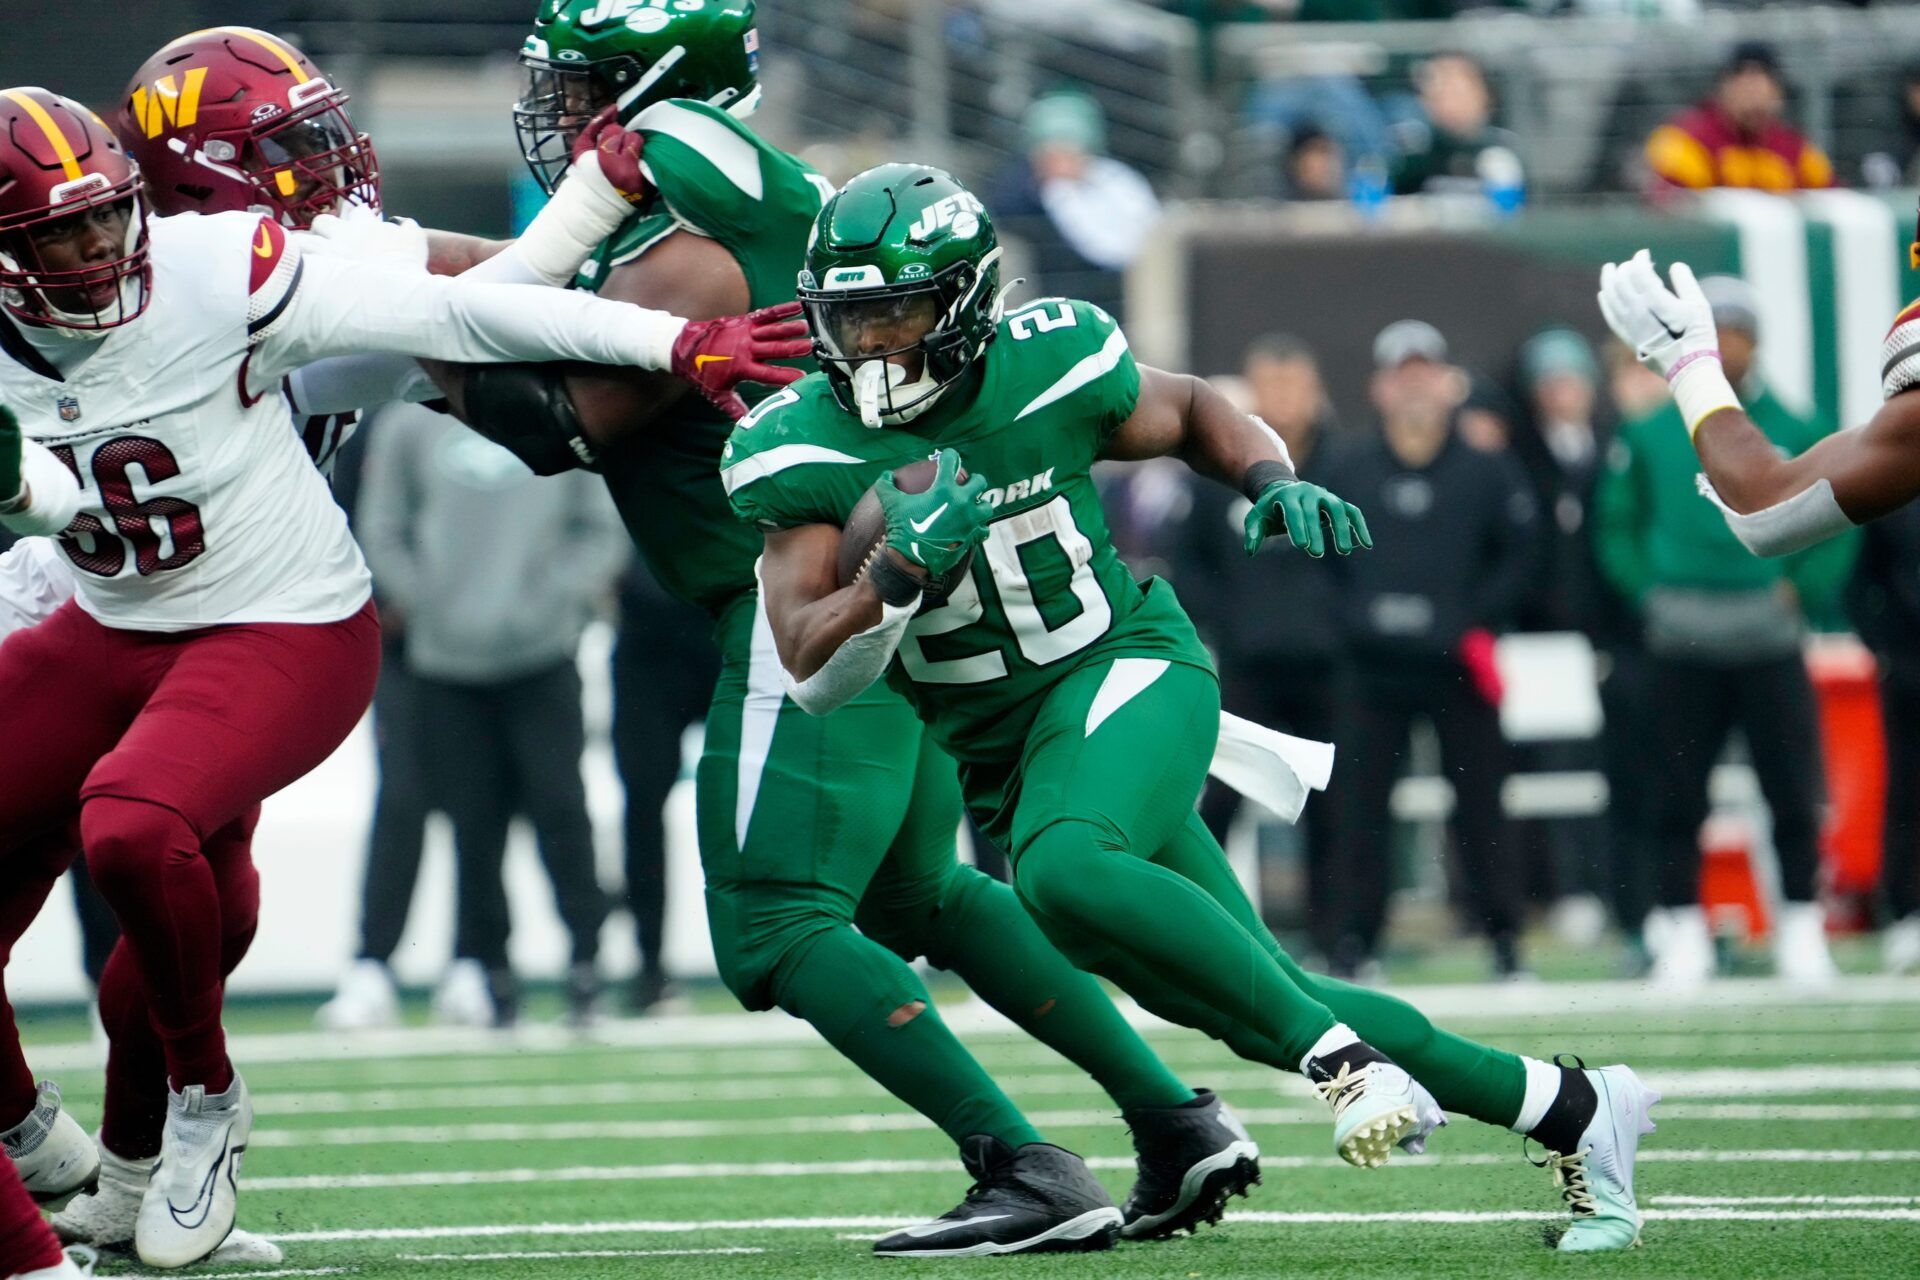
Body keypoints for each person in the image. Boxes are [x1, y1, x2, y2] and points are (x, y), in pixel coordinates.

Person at [429, 1, 1262, 1257]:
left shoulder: (694, 258)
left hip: (811, 609)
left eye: (585, 87)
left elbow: (554, 419)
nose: (561, 116)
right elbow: (524, 282)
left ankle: (1023, 1162)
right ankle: (1174, 1117)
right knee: (922, 891)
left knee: (773, 921)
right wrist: (374, 259)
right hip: (901, 606)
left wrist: (394, 331)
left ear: (658, 95)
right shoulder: (714, 231)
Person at [732, 163, 1658, 1256]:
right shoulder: (797, 442)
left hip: (1127, 667)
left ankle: (1344, 1064)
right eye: (852, 317)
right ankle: (1575, 1106)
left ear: (970, 301)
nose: (876, 343)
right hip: (1007, 745)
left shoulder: (1051, 360)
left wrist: (1268, 474)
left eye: (899, 311)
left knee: (1062, 869)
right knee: (1255, 989)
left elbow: (1189, 409)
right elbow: (811, 665)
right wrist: (890, 580)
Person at [0, 78, 800, 1267]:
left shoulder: (236, 270)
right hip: (65, 603)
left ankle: (131, 1163)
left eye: (101, 216)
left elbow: (471, 307)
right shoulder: (184, 280)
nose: (319, 176)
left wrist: (618, 257)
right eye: (281, 152)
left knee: (195, 894)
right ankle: (35, 1144)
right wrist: (25, 487)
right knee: (149, 881)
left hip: (244, 619)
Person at [1591, 275, 1851, 988]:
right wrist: (1649, 592)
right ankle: (1681, 929)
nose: (1728, 342)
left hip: (1768, 629)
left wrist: (1801, 592)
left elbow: (1842, 518)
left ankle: (1800, 924)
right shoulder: (1647, 433)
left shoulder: (1798, 426)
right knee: (1676, 789)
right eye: (1718, 328)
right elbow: (1616, 523)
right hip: (1682, 633)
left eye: (1737, 328)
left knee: (1792, 787)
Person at [357, 401, 627, 1027]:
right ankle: (492, 974)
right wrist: (430, 603)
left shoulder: (562, 413)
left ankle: (587, 962)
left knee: (562, 811)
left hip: (545, 656)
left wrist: (555, 602)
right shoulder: (406, 423)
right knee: (473, 827)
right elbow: (383, 527)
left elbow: (599, 529)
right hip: (443, 665)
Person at [1315, 320, 1538, 980]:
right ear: (1379, 388)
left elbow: (1522, 555)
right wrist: (1358, 618)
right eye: (1401, 375)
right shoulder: (1346, 466)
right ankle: (1354, 942)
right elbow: (1315, 556)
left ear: (1448, 385)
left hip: (1456, 665)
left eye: (1424, 373)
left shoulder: (1487, 469)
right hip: (1371, 666)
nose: (1414, 387)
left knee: (1481, 805)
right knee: (1360, 809)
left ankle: (1503, 942)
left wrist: (1468, 617)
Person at [1185, 337, 1345, 953]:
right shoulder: (1215, 476)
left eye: (1293, 385)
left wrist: (1335, 620)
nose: (1282, 400)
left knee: (1336, 805)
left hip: (1331, 665)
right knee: (1222, 798)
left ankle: (1339, 940)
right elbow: (1189, 565)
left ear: (1315, 391)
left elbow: (1367, 560)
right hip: (1248, 664)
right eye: (1269, 386)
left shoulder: (1345, 467)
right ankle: (1205, 929)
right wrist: (1234, 621)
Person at [610, 562, 719, 1013]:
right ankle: (649, 966)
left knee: (766, 794)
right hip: (646, 640)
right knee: (641, 808)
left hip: (727, 628)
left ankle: (791, 942)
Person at [989, 90, 1160, 322]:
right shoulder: (1023, 192)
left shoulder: (1112, 179)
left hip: (1114, 296)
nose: (1061, 158)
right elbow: (1004, 210)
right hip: (1058, 305)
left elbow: (1139, 231)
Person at [1846, 503, 1920, 974]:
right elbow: (1859, 581)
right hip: (1912, 668)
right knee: (1909, 790)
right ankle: (1907, 912)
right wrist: (1884, 648)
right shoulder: (1895, 494)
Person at [1644, 42, 1834, 194]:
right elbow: (1677, 209)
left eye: (1760, 83)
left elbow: (1830, 197)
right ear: (1723, 88)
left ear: (1777, 93)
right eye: (1743, 82)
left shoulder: (1794, 148)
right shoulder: (1688, 138)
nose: (1752, 93)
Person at [1389, 52, 1525, 201]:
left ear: (1485, 94)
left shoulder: (1504, 149)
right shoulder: (1416, 153)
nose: (1447, 103)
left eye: (1456, 91)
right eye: (1439, 94)